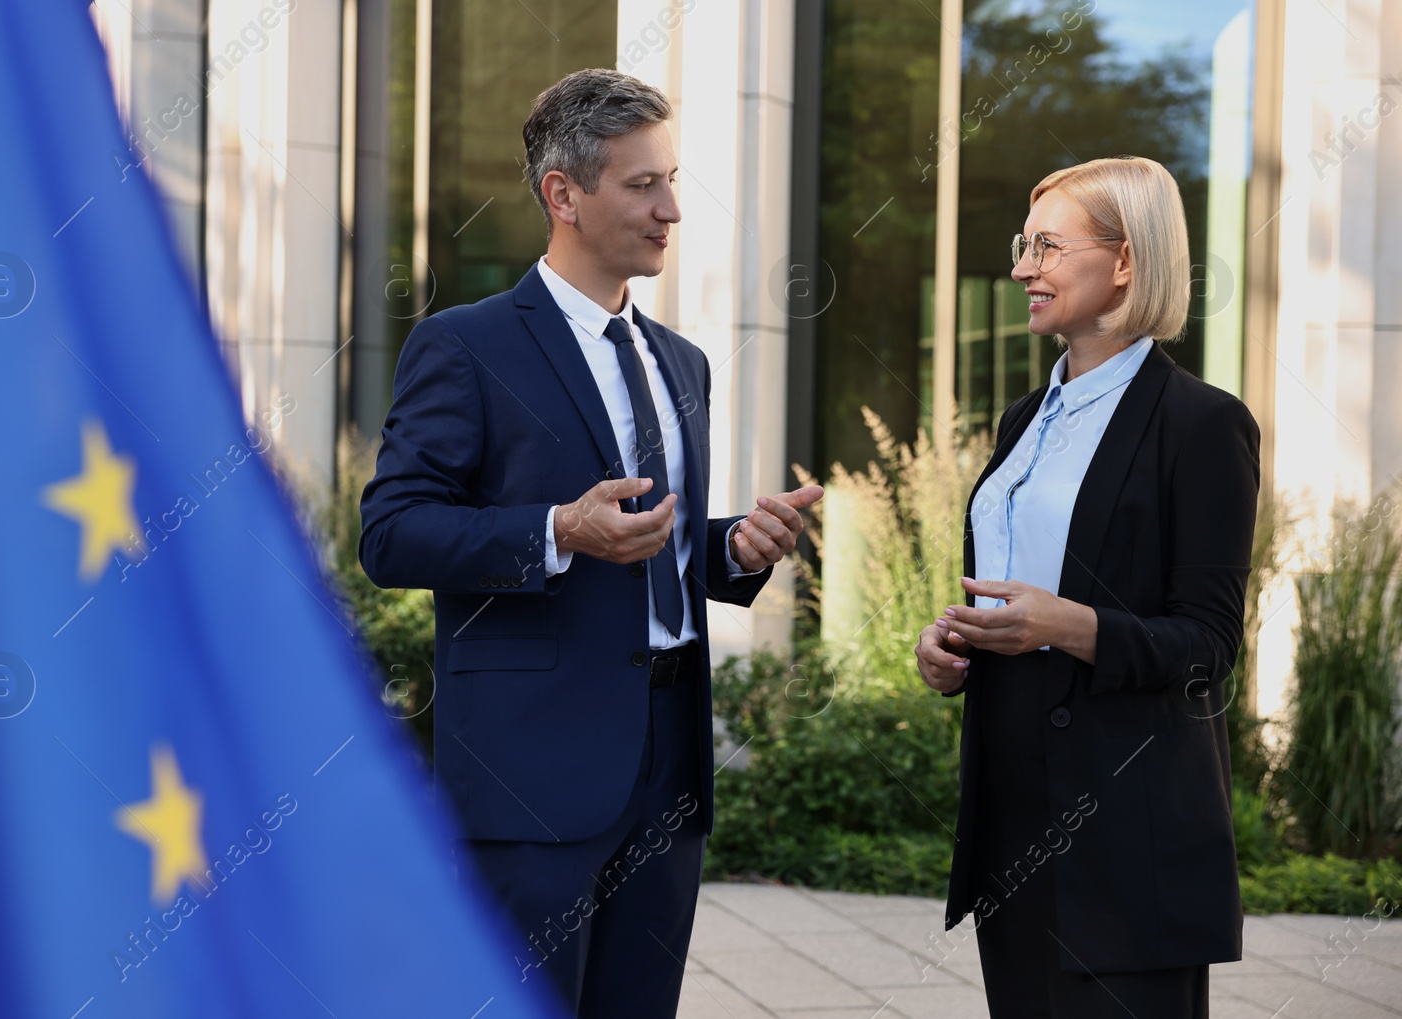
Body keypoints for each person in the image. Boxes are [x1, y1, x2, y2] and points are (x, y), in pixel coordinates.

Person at [359, 68, 821, 1017]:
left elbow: (654, 536)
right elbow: (393, 532)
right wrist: (557, 529)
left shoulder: (681, 361)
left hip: (668, 764)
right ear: (562, 194)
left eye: (672, 179)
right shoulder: (465, 347)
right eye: (643, 184)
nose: (673, 209)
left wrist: (734, 546)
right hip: (528, 778)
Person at [914, 156, 1259, 1017]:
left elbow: (1209, 648)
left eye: (1047, 246)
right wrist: (953, 643)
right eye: (1023, 245)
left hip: (1129, 841)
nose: (1023, 267)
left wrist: (1067, 624)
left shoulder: (1203, 424)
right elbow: (1015, 592)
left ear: (1126, 261)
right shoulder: (1024, 421)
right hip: (1015, 824)